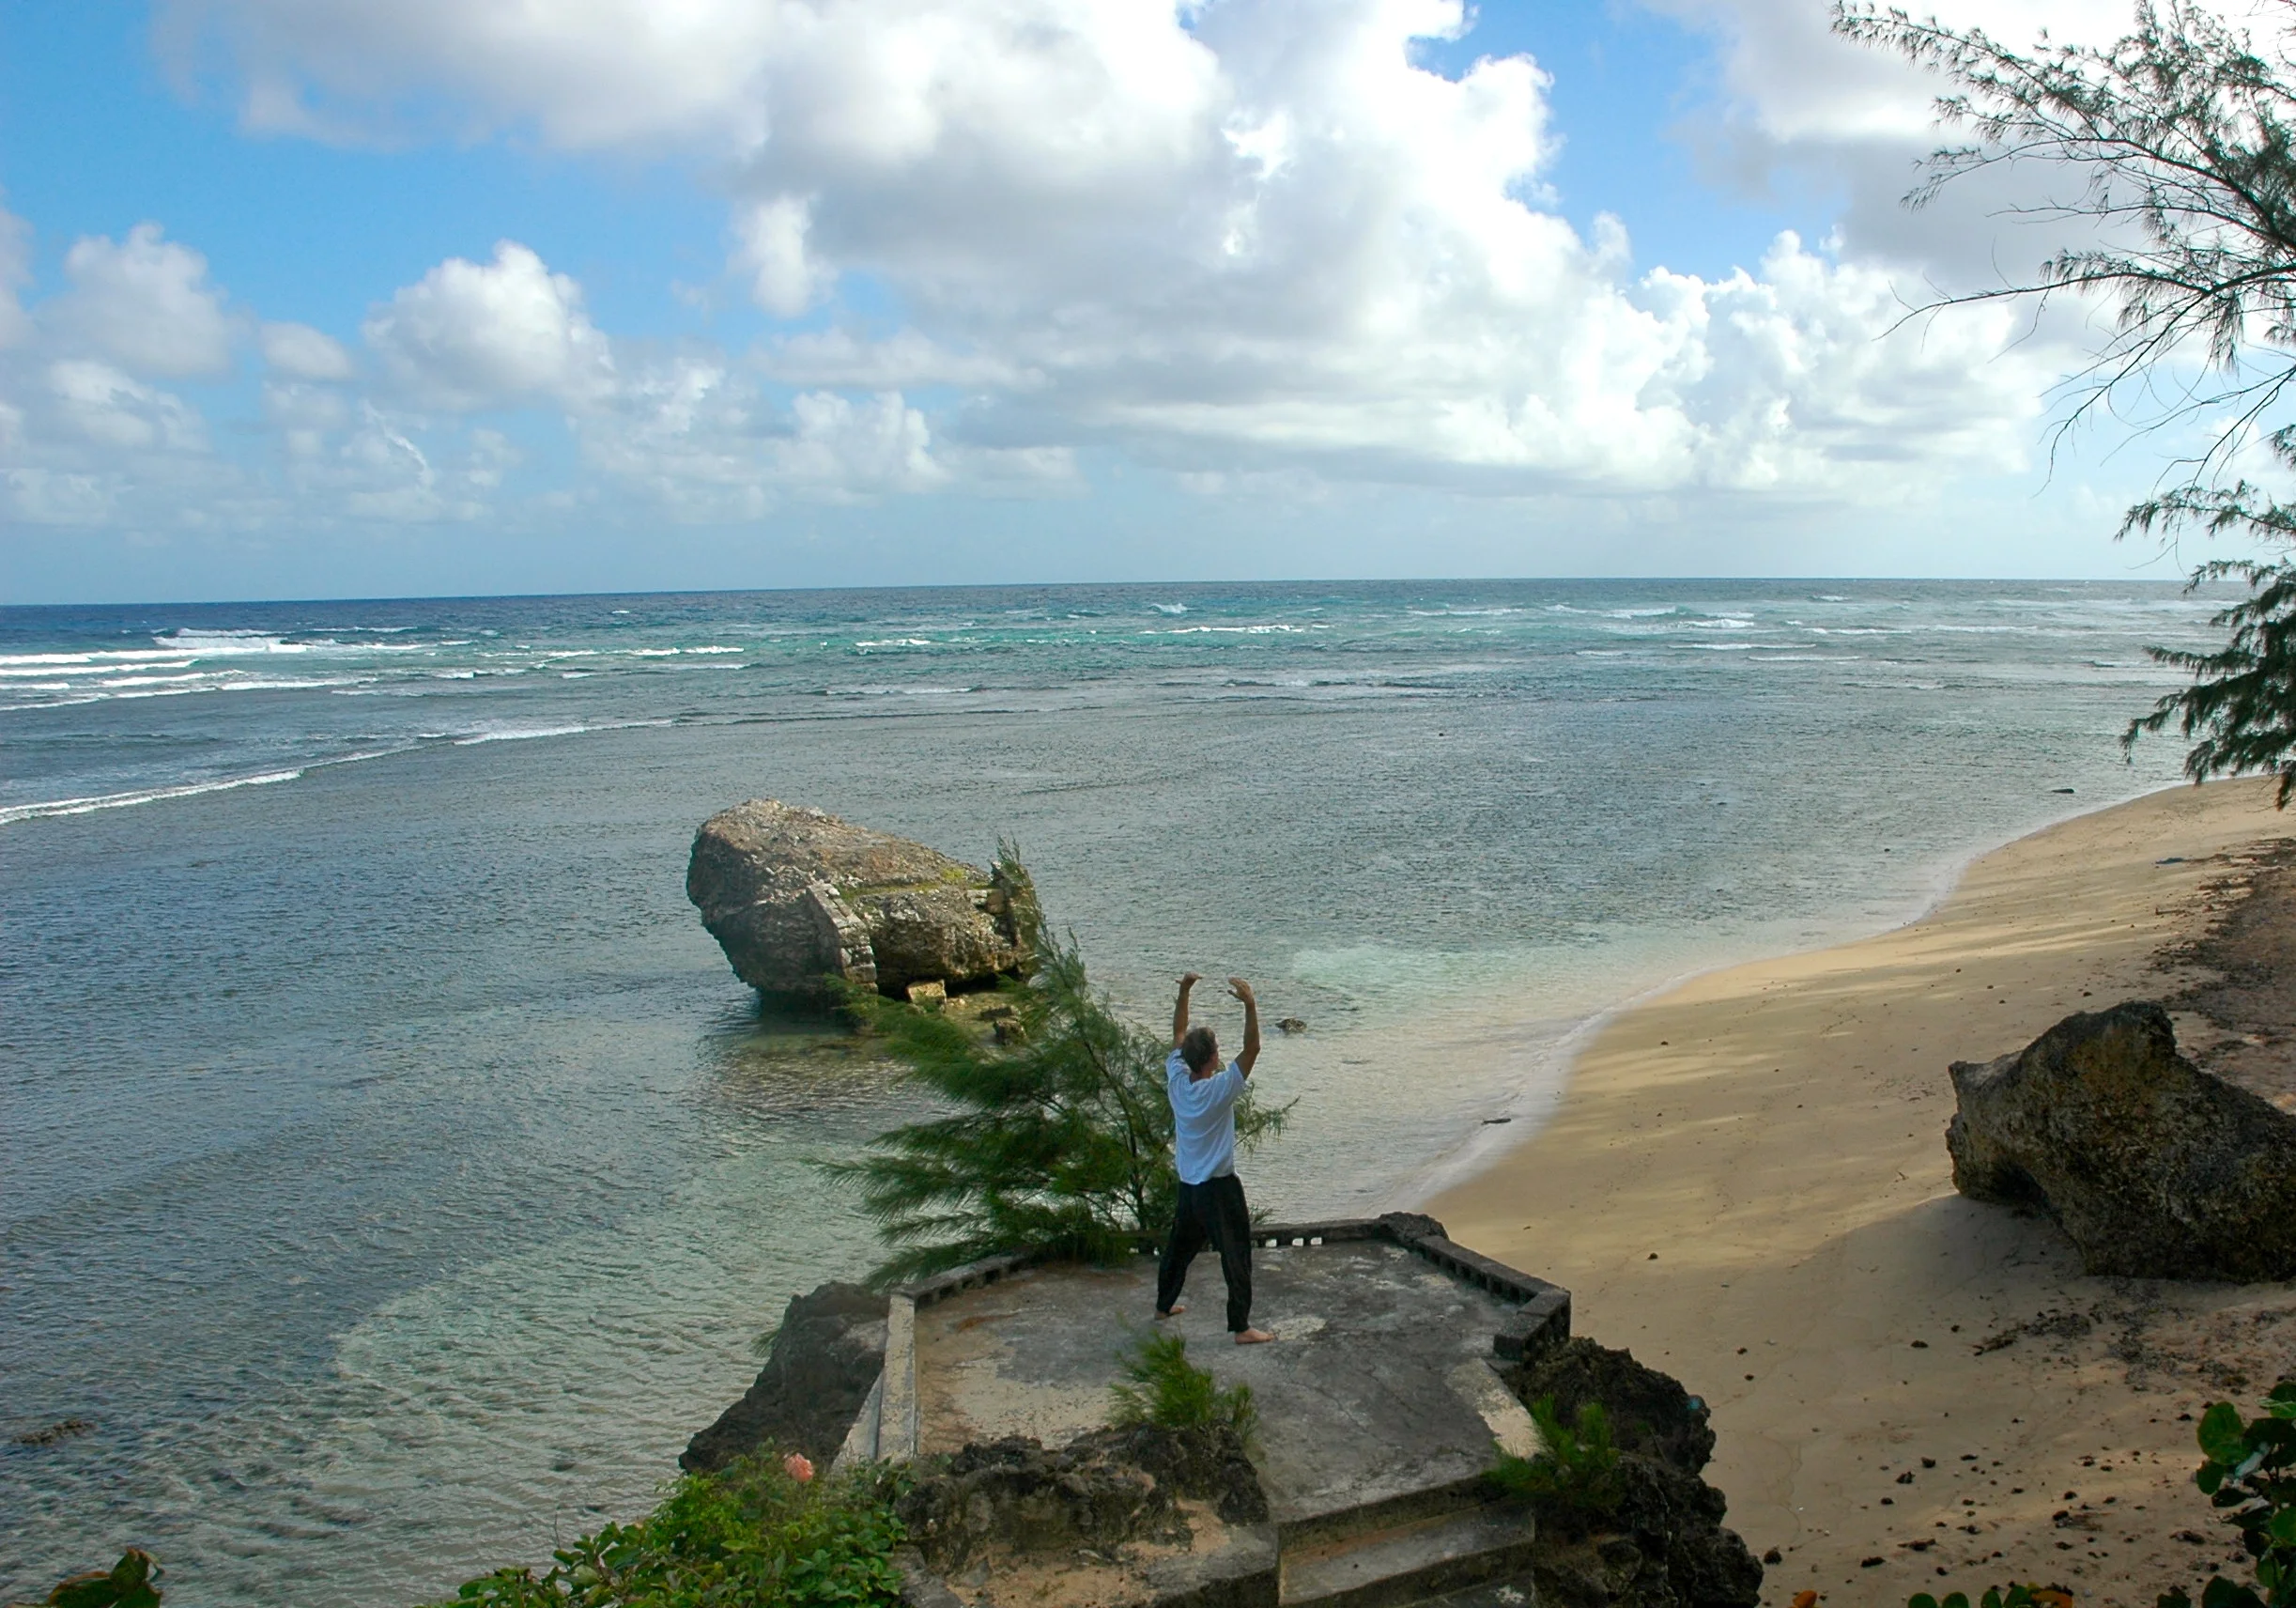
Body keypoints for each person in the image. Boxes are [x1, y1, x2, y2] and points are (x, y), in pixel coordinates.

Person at [1155, 972, 1274, 1345]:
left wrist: (1184, 990)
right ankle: (1241, 1327)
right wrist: (1251, 1005)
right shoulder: (1217, 1090)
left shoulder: (1177, 1080)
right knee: (1236, 1254)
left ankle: (1163, 1305)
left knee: (1179, 1248)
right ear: (1210, 1060)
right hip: (1219, 1188)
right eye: (1218, 1051)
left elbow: (1177, 1034)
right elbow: (1252, 1049)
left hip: (1190, 1185)